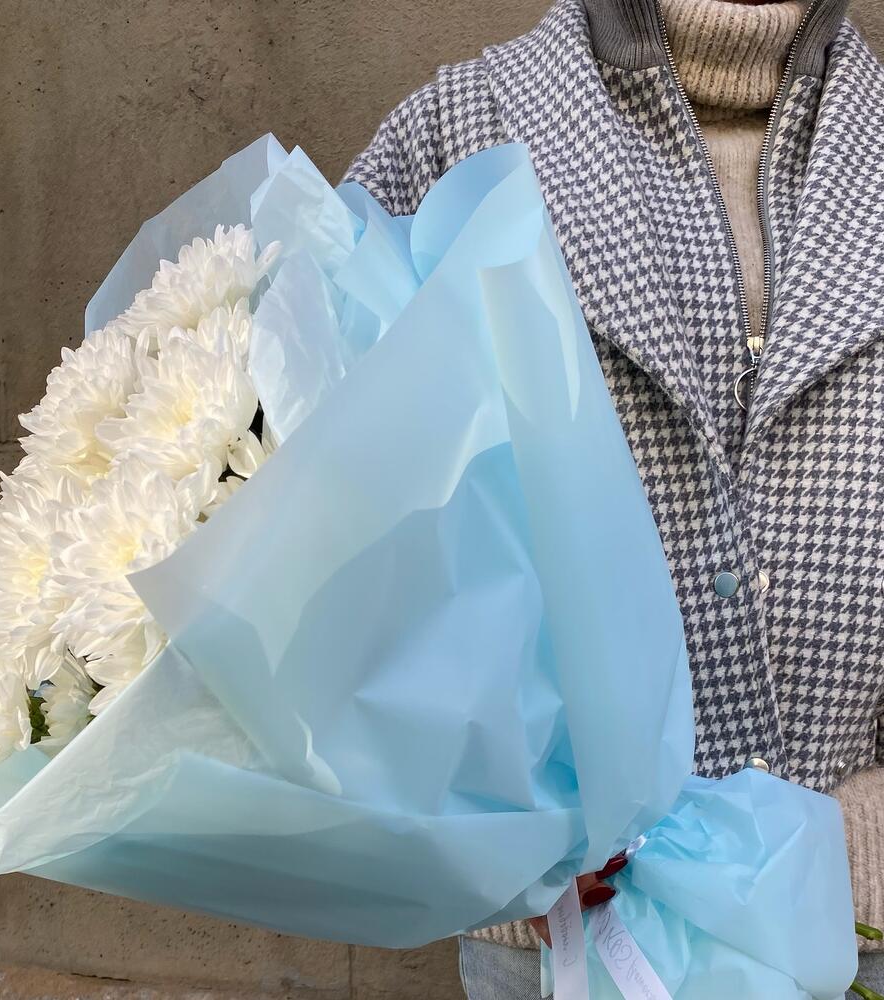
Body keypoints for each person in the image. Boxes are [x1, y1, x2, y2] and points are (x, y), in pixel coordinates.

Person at [343, 0, 884, 995]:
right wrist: (497, 805)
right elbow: (331, 504)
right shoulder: (460, 129)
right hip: (558, 926)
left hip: (863, 909)